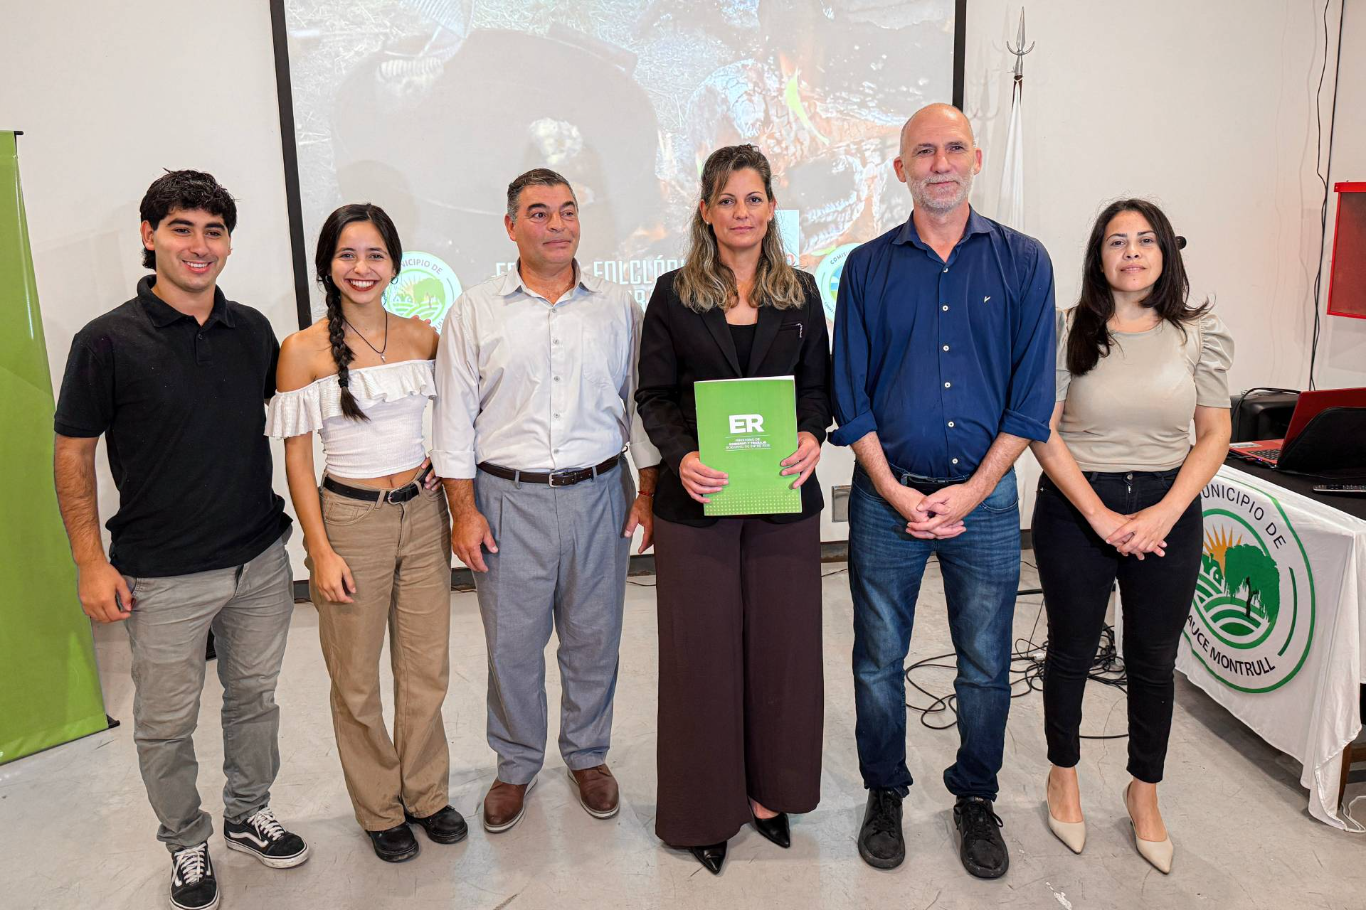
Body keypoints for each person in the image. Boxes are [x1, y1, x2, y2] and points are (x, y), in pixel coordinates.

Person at [53, 170, 308, 910]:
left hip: (259, 560)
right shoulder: (105, 341)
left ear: (228, 242)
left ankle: (247, 814)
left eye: (214, 231)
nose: (200, 246)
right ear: (150, 236)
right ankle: (185, 840)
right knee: (166, 724)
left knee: (254, 699)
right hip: (161, 575)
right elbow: (73, 454)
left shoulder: (252, 330)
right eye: (181, 228)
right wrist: (89, 561)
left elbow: (295, 421)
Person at [830, 103, 1055, 879]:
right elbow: (850, 394)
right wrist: (895, 492)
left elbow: (1031, 400)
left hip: (986, 506)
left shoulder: (1024, 262)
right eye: (923, 152)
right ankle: (885, 790)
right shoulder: (866, 268)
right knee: (877, 660)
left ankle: (975, 797)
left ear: (976, 159)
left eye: (953, 148)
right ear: (900, 169)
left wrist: (974, 490)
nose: (940, 164)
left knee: (986, 664)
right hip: (885, 501)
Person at [431, 168, 661, 833]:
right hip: (508, 501)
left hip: (600, 495)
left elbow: (639, 406)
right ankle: (515, 763)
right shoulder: (475, 310)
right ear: (511, 226)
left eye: (567, 211)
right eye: (538, 213)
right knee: (513, 646)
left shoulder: (618, 307)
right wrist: (464, 511)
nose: (556, 225)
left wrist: (646, 492)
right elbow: (453, 420)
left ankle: (588, 755)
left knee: (594, 639)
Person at [636, 144, 831, 875]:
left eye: (753, 199)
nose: (740, 212)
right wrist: (680, 455)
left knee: (784, 653)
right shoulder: (673, 294)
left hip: (783, 497)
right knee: (702, 658)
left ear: (772, 208)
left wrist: (811, 434)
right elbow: (653, 394)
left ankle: (771, 794)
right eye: (726, 200)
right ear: (705, 210)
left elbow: (818, 388)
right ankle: (705, 809)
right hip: (698, 504)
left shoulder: (801, 292)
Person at [1031, 199, 1232, 874]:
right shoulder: (1067, 328)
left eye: (1145, 240)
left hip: (1166, 508)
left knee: (1152, 660)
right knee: (1070, 652)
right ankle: (1063, 776)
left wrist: (1165, 513)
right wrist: (1098, 517)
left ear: (1165, 253)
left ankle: (1144, 791)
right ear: (1099, 256)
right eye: (1117, 242)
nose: (1133, 253)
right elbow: (1042, 430)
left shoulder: (1199, 333)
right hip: (1076, 506)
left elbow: (1215, 433)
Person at [267, 203, 464, 863]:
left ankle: (427, 794)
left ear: (394, 264)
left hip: (424, 516)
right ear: (327, 265)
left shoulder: (423, 336)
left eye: (375, 254)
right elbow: (297, 460)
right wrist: (318, 550)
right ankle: (380, 808)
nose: (362, 267)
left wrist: (439, 460)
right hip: (350, 521)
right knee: (355, 680)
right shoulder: (300, 351)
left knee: (425, 668)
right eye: (347, 254)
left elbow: (456, 418)